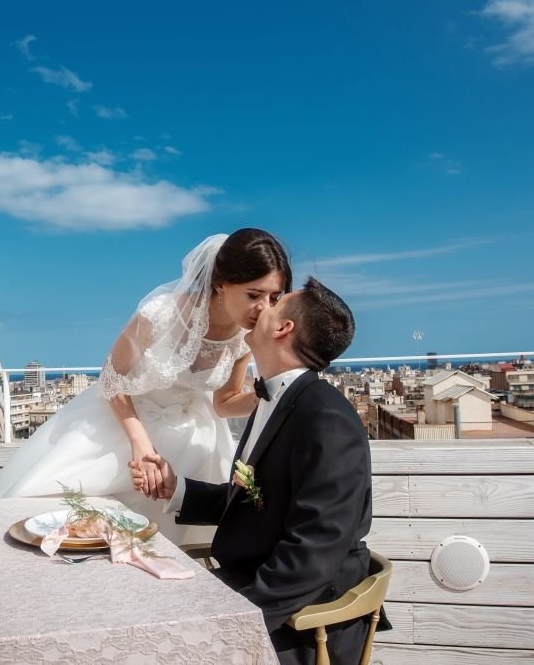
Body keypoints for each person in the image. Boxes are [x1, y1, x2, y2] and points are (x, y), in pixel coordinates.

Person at [131, 277, 383, 665]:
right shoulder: (275, 401)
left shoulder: (326, 418)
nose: (261, 307)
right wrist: (176, 489)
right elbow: (258, 501)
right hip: (256, 584)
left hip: (304, 619)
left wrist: (229, 616)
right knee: (137, 607)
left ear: (284, 328)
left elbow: (314, 550)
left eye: (275, 303)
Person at [0, 229, 292, 545]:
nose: (265, 308)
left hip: (195, 433)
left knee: (176, 532)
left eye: (274, 297)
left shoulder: (245, 338)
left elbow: (224, 402)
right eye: (254, 295)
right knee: (67, 508)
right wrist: (141, 444)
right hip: (125, 421)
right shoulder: (161, 313)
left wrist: (266, 396)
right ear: (221, 284)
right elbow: (111, 378)